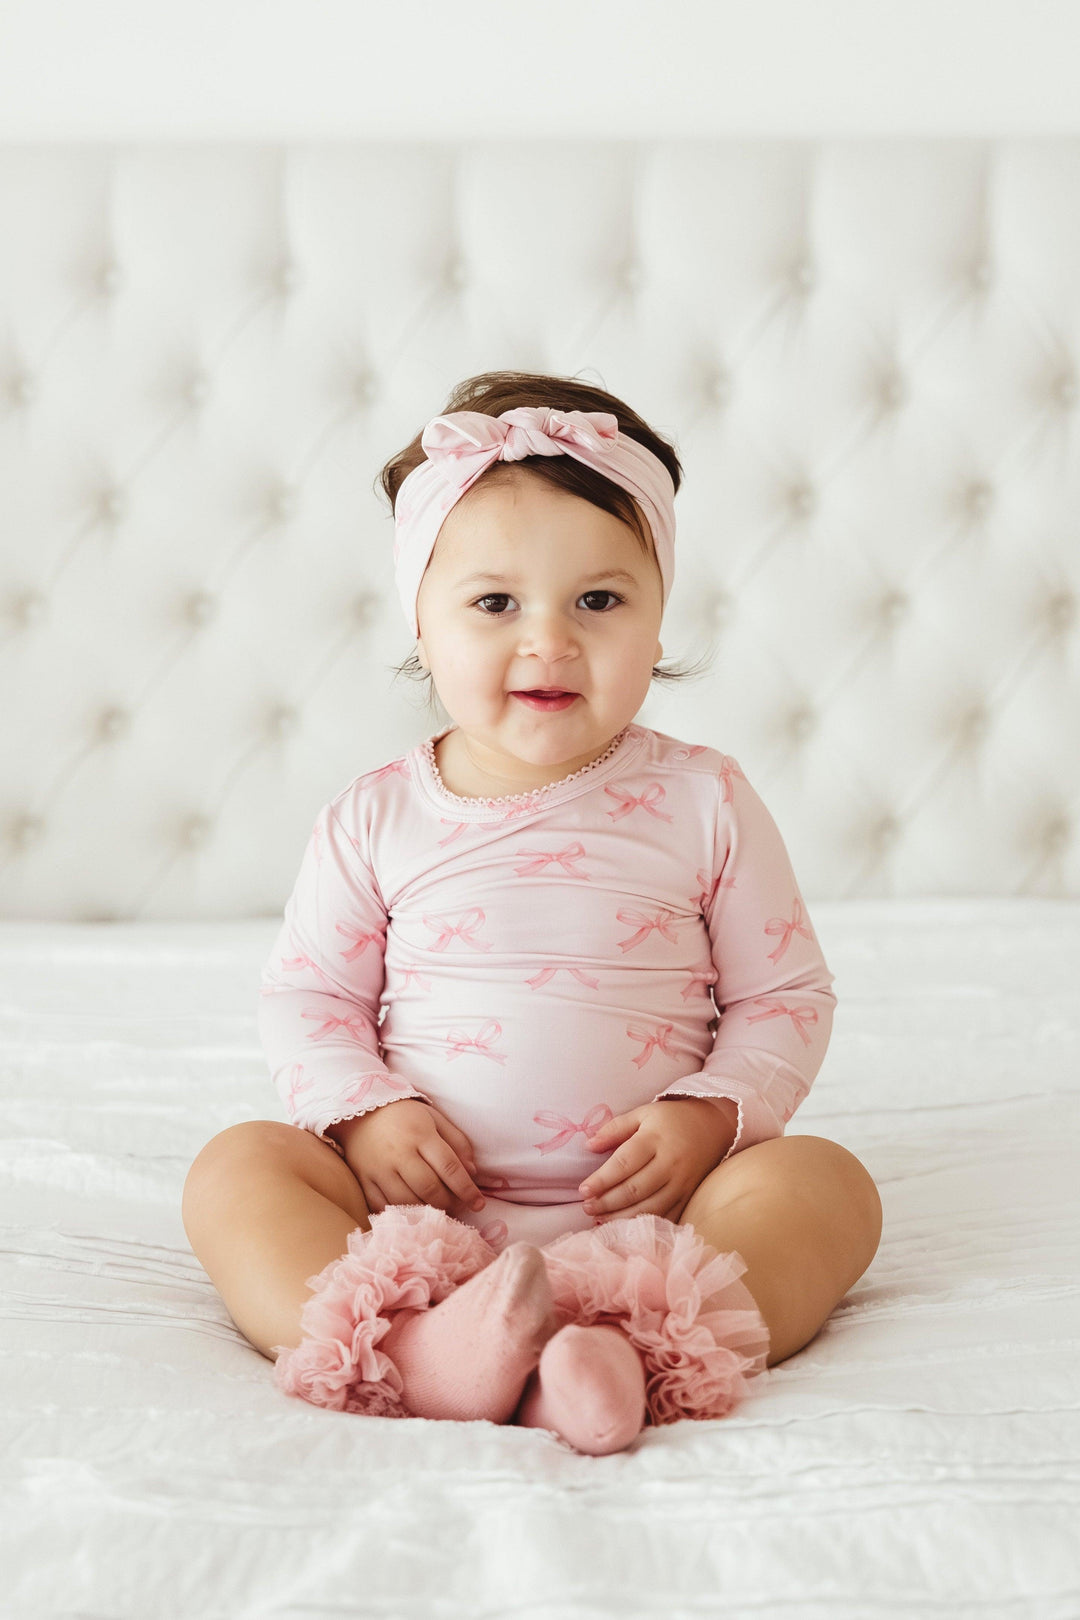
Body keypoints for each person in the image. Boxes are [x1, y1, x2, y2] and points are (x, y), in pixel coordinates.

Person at [182, 370, 883, 1456]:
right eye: (494, 604)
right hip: (414, 1213)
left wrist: (710, 1117)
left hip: (659, 1219)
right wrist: (365, 1114)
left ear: (660, 618)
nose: (548, 642)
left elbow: (784, 993)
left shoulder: (704, 799)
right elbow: (310, 996)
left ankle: (622, 1353)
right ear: (422, 621)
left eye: (599, 601)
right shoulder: (377, 816)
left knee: (827, 1186)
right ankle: (418, 1346)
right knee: (237, 1168)